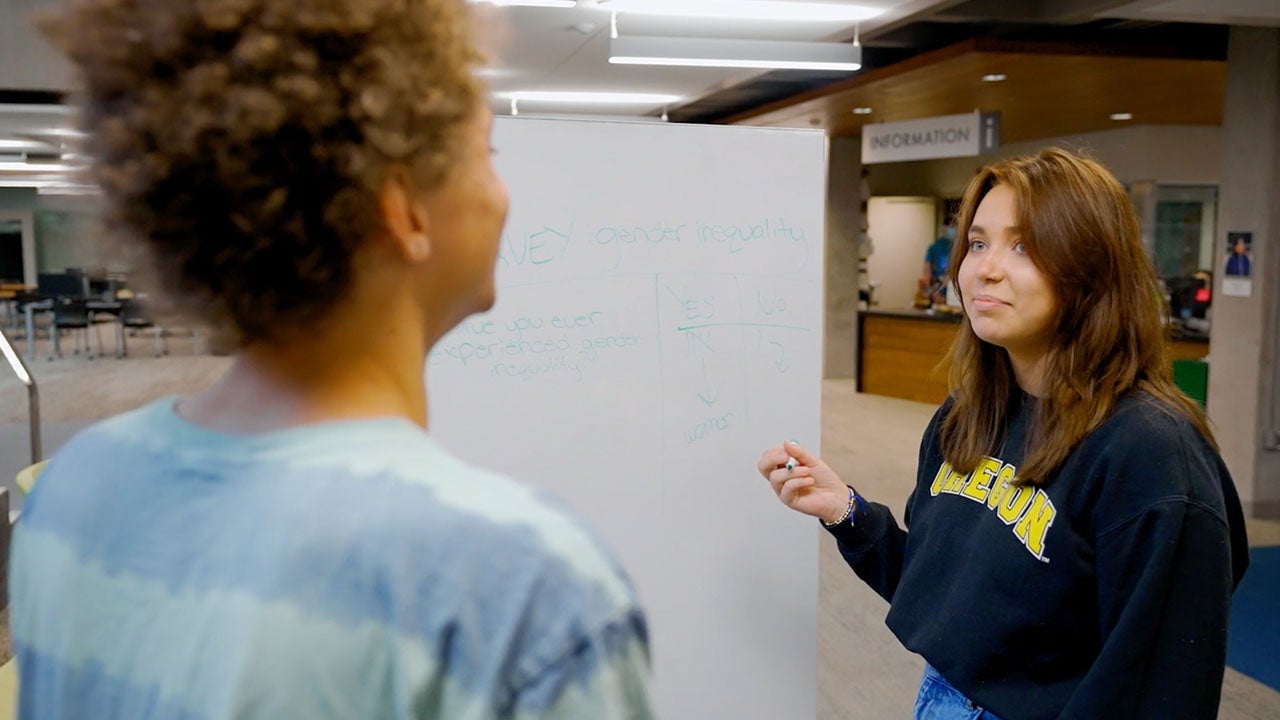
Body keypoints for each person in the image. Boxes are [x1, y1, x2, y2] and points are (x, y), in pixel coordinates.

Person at [10, 1, 654, 719]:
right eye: (488, 154)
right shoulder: (520, 587)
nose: (503, 195)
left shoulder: (73, 490)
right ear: (401, 206)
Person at [759, 148, 1249, 720]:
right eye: (978, 242)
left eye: (1024, 245)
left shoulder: (1152, 455)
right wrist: (846, 511)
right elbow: (945, 596)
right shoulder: (966, 417)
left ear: (1092, 268)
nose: (985, 268)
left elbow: (1160, 690)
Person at [919, 225, 956, 305]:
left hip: (944, 288)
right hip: (942, 288)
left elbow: (927, 271)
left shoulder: (934, 247)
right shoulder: (954, 248)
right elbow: (927, 271)